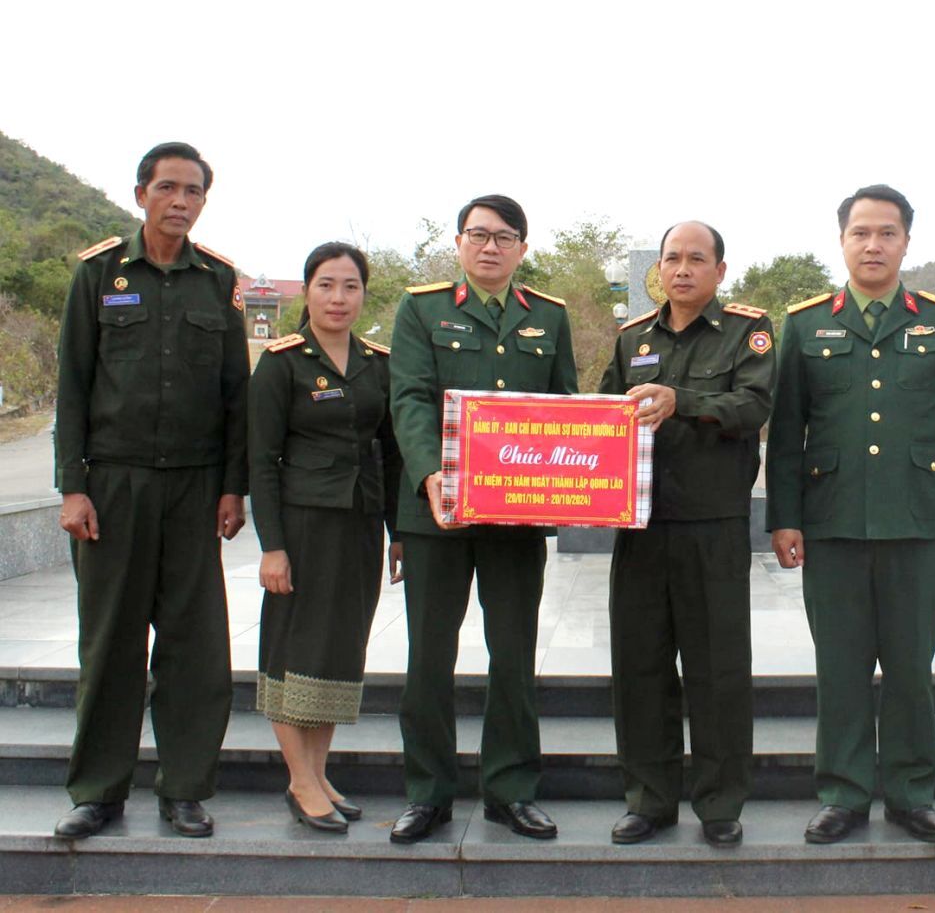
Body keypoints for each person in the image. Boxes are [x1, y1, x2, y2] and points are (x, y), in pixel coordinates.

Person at [766, 184, 935, 845]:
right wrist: (784, 517)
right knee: (840, 669)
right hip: (832, 522)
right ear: (842, 241)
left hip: (917, 522)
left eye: (887, 233)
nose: (873, 244)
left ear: (906, 242)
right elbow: (787, 431)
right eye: (860, 232)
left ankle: (912, 793)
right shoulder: (807, 324)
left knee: (912, 669)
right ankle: (843, 793)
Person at [52, 142, 247, 839]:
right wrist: (72, 488)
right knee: (110, 645)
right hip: (114, 486)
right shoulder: (98, 274)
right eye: (168, 188)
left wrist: (233, 487)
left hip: (194, 487)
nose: (180, 201)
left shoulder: (217, 281)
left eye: (193, 191)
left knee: (196, 648)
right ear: (141, 195)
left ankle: (184, 788)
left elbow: (235, 393)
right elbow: (73, 385)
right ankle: (98, 791)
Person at [386, 194, 578, 844]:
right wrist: (428, 472)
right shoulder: (422, 309)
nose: (490, 246)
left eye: (503, 237)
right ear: (459, 243)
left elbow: (563, 408)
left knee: (514, 657)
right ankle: (428, 794)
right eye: (478, 234)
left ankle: (511, 790)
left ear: (522, 248)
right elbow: (409, 398)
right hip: (435, 511)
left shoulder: (548, 317)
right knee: (428, 659)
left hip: (516, 517)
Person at [599, 221, 775, 848]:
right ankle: (648, 800)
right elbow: (603, 418)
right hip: (641, 527)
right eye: (672, 258)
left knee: (717, 670)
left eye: (696, 259)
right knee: (639, 668)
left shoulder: (748, 333)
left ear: (719, 271)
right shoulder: (632, 339)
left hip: (712, 526)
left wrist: (683, 400)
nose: (681, 269)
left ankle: (720, 802)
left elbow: (753, 406)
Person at [250, 242, 403, 833]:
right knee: (295, 649)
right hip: (303, 526)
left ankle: (317, 773)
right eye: (326, 285)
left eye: (350, 286)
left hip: (359, 522)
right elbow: (261, 461)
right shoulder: (282, 363)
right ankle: (300, 781)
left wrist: (397, 531)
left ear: (364, 294)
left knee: (339, 649)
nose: (338, 298)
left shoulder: (377, 363)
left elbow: (390, 453)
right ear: (308, 291)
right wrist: (272, 546)